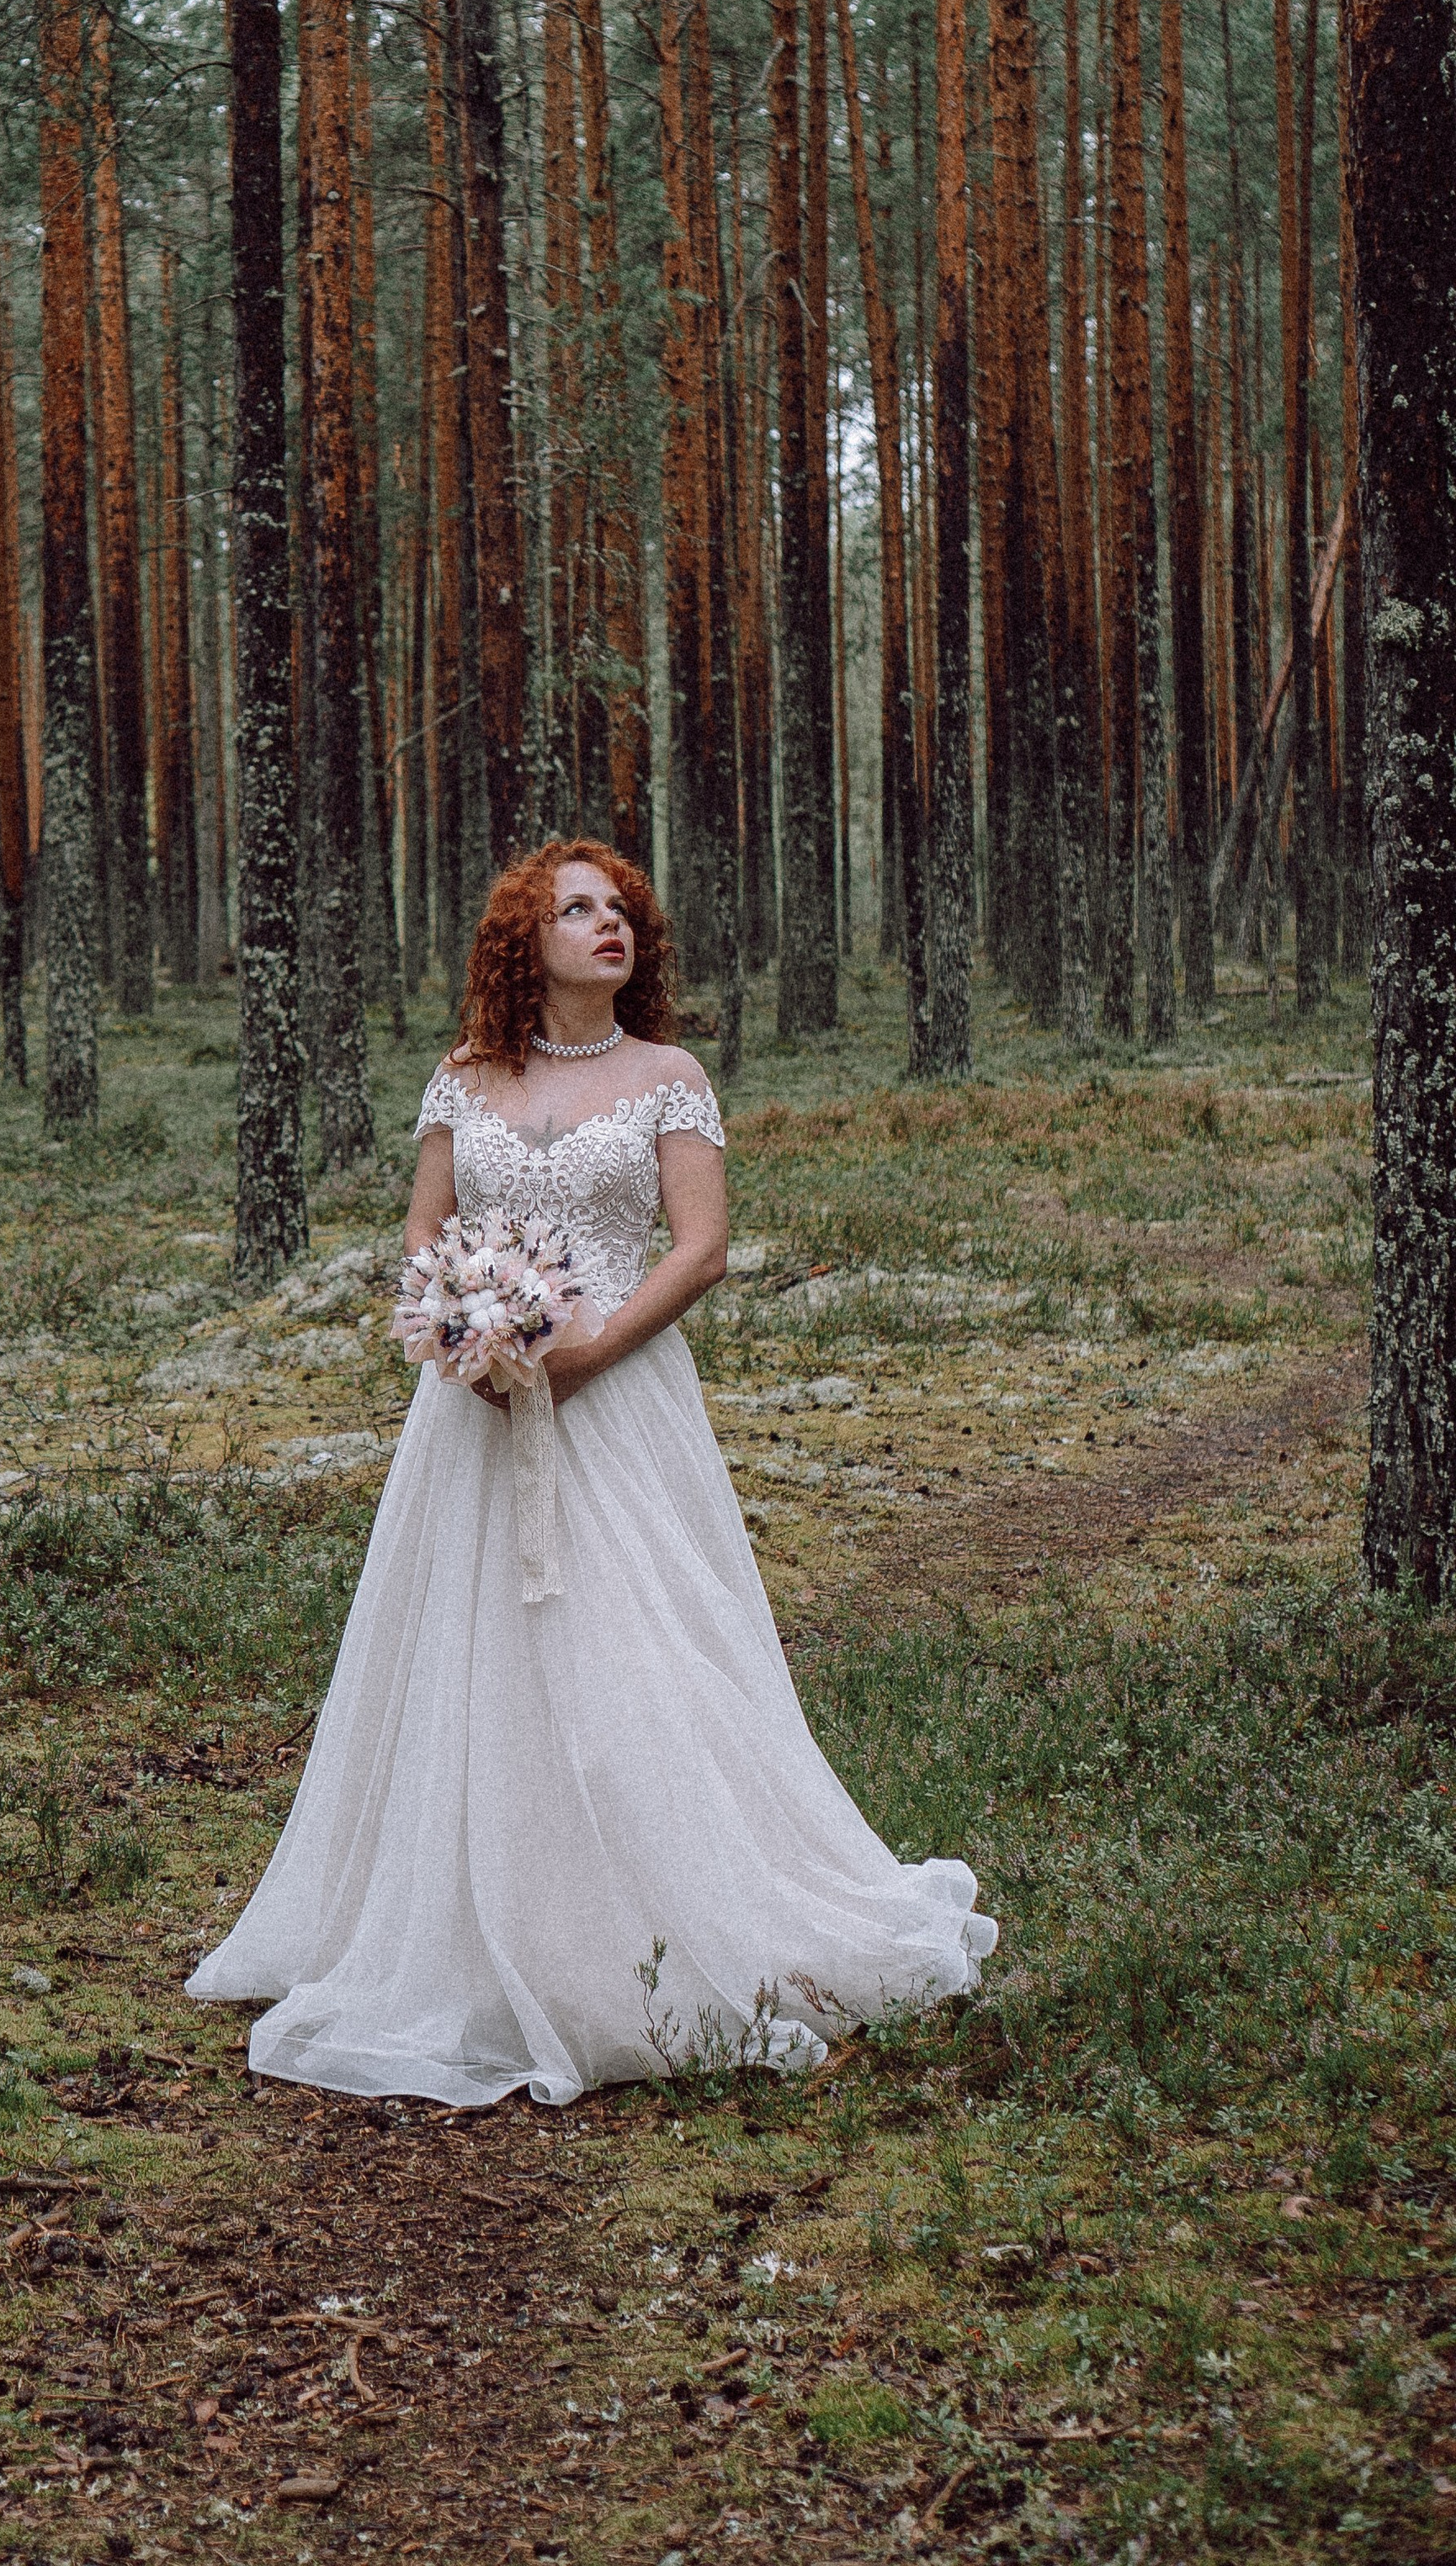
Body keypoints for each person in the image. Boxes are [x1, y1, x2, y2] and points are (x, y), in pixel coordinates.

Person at [188, 840, 996, 2105]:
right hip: (476, 1409)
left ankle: (658, 1921)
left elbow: (703, 1247)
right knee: (471, 1652)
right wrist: (463, 1326)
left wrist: (591, 1349)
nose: (606, 924)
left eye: (619, 910)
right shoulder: (464, 1076)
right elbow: (425, 1232)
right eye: (576, 910)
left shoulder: (669, 1078)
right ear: (527, 939)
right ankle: (464, 1930)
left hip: (622, 1402)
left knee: (640, 1646)